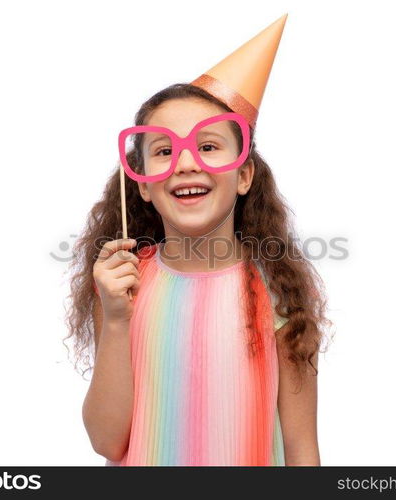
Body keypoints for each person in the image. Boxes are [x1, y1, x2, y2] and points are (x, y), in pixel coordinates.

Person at [65, 14, 331, 466]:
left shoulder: (276, 291)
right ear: (144, 184)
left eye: (208, 146)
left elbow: (302, 446)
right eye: (165, 151)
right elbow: (107, 441)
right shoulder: (123, 285)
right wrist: (114, 319)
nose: (186, 163)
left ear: (243, 174)